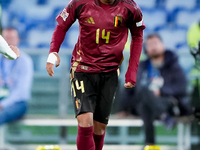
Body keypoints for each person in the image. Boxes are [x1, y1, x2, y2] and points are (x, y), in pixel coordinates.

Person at [46, 0, 145, 149]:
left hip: (110, 72)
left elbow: (137, 36)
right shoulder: (80, 3)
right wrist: (53, 52)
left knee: (99, 129)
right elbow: (61, 26)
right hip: (82, 69)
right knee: (85, 122)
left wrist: (131, 71)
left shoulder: (131, 7)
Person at [117, 33, 192, 147]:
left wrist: (161, 91)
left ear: (163, 45)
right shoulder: (141, 66)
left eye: (155, 43)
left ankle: (150, 144)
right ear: (146, 49)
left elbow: (181, 87)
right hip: (150, 107)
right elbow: (129, 87)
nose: (153, 46)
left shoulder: (174, 66)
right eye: (149, 44)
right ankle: (163, 116)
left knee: (144, 102)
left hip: (167, 103)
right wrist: (124, 108)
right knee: (143, 92)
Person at [0, 27, 33, 125]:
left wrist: (2, 104)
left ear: (18, 40)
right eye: (6, 38)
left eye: (12, 38)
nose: (9, 41)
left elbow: (21, 91)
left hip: (16, 103)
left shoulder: (25, 61)